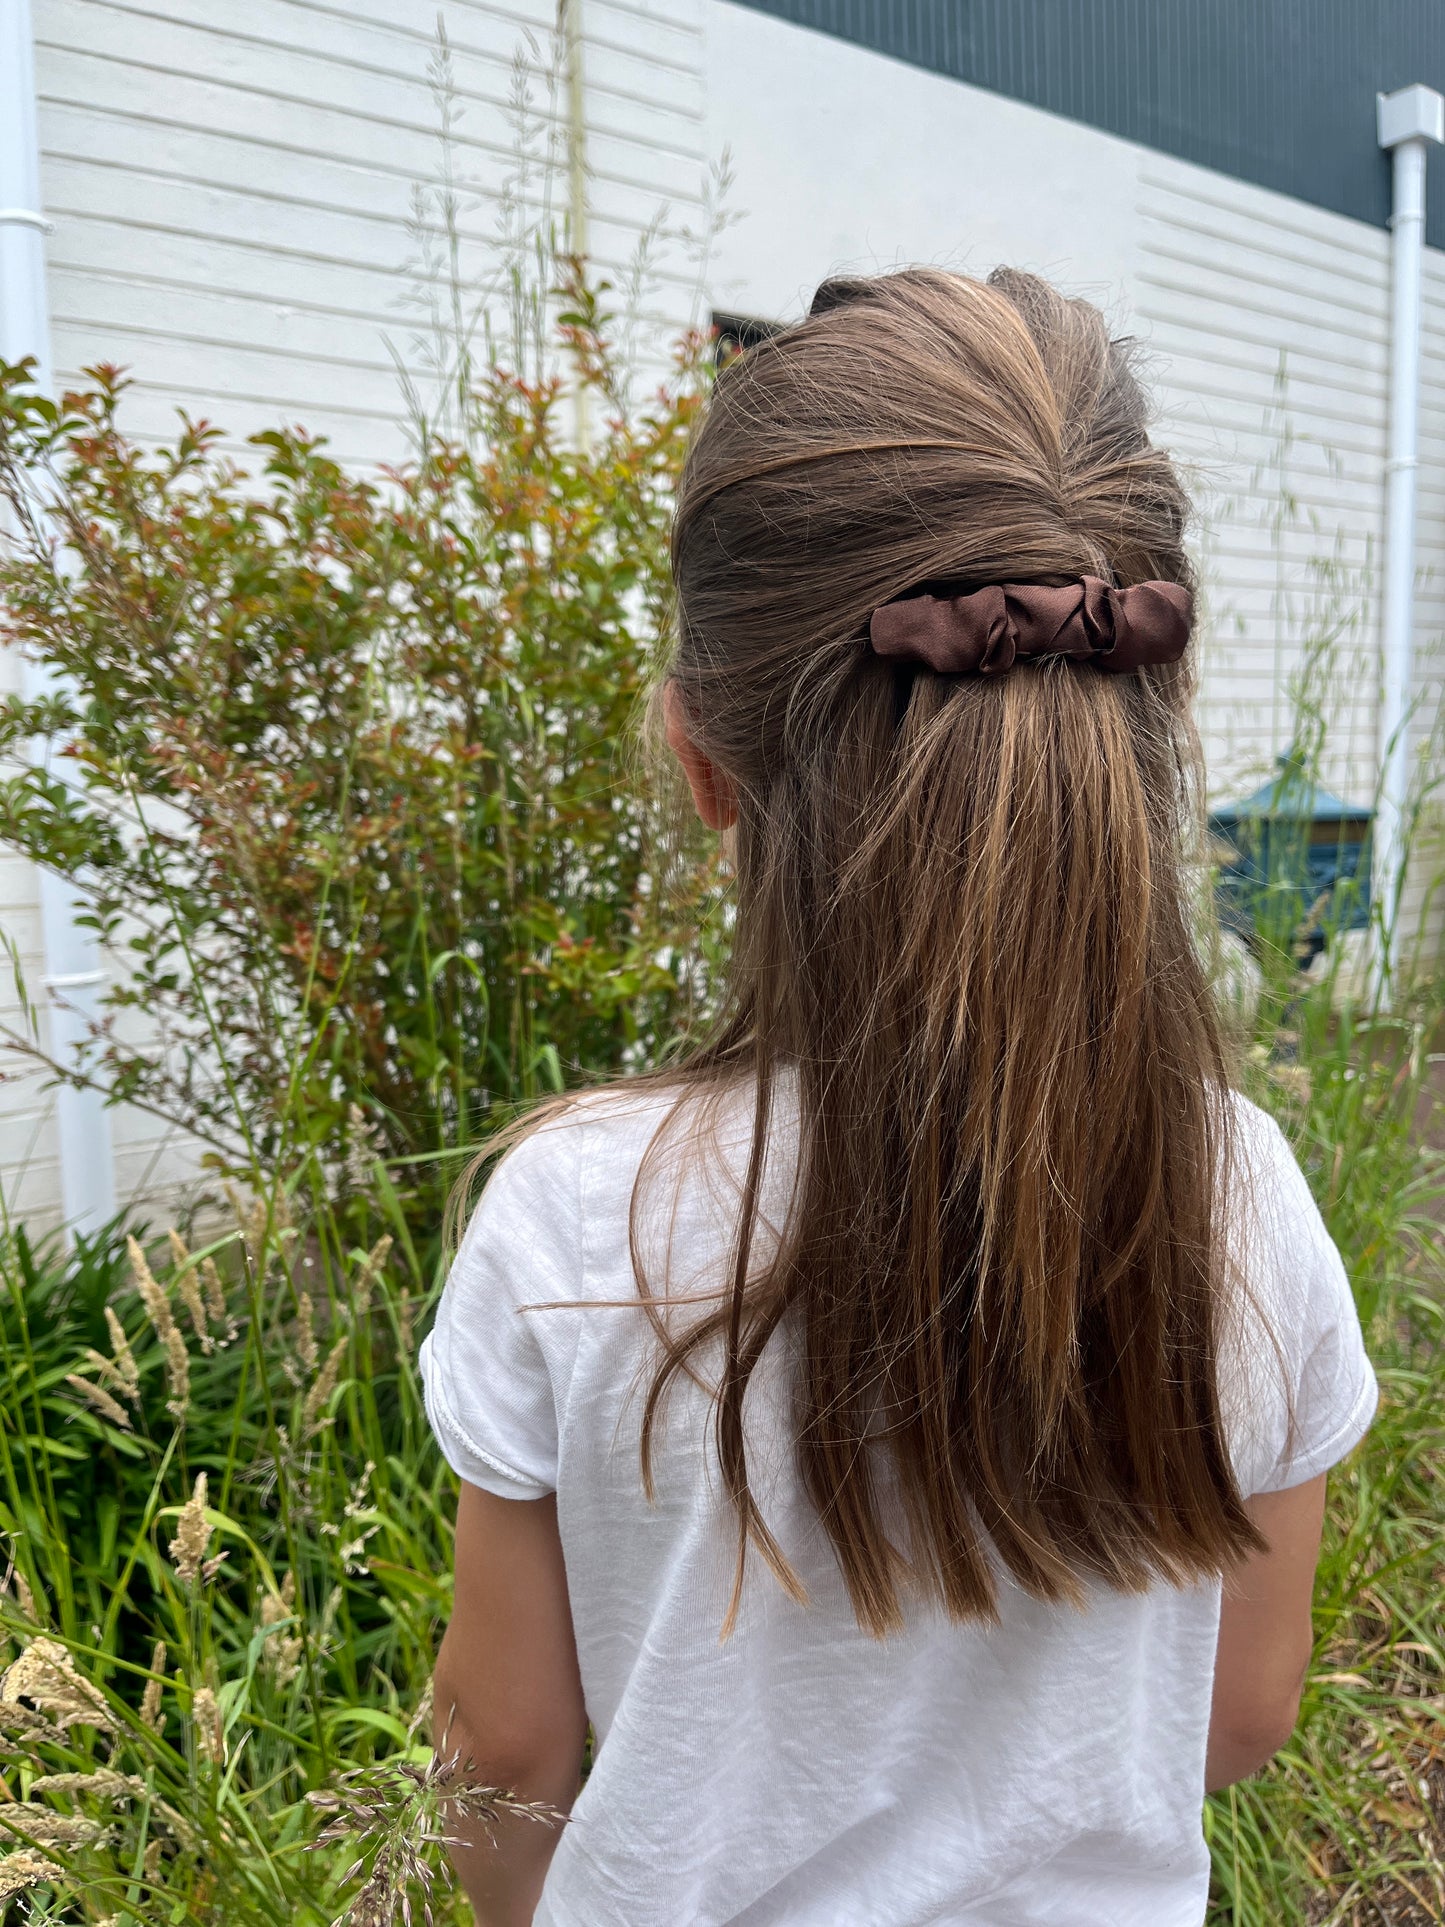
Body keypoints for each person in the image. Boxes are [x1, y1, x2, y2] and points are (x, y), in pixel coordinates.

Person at [419, 267, 1377, 1927]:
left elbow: (500, 1744)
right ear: (1149, 716)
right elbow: (1236, 1718)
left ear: (699, 756)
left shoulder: (574, 1215)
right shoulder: (1241, 1192)